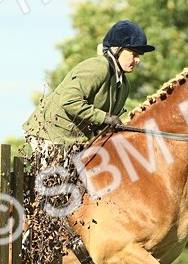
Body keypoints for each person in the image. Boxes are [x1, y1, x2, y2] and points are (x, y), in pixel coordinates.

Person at [22, 20, 153, 161]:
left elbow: (101, 126)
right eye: (133, 54)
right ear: (116, 50)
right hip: (50, 134)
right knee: (59, 181)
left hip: (76, 140)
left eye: (139, 56)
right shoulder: (98, 67)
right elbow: (69, 101)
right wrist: (105, 118)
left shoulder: (124, 85)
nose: (138, 60)